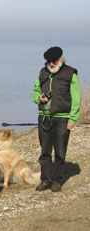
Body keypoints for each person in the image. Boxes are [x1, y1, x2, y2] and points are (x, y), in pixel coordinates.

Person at [32, 46, 81, 192]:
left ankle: (56, 180)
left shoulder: (70, 73)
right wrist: (38, 98)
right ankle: (45, 180)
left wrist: (72, 119)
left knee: (60, 152)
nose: (51, 64)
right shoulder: (43, 72)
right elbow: (35, 91)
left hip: (63, 118)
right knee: (45, 151)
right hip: (45, 117)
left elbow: (76, 98)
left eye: (53, 61)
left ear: (60, 60)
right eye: (48, 62)